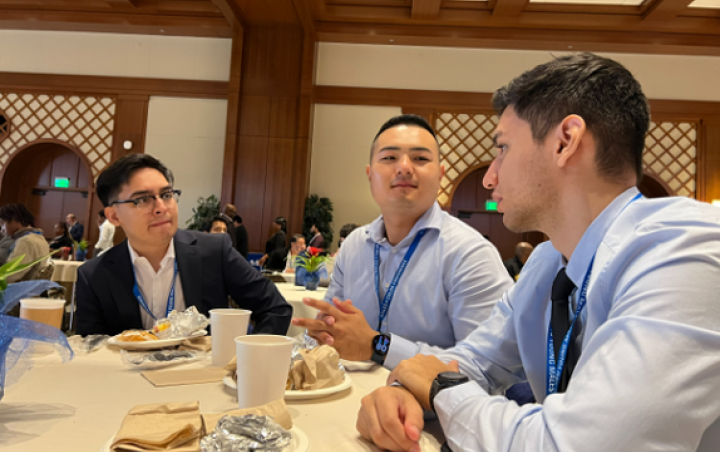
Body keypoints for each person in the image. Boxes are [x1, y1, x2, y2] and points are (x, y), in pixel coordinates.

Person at [356, 53, 720, 452]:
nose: (491, 176)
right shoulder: (549, 263)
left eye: (503, 148)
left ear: (566, 142)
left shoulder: (686, 250)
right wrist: (404, 392)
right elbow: (474, 361)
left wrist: (440, 388)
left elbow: (577, 445)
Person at [292, 114, 512, 371]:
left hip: (430, 410)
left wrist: (377, 346)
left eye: (420, 158)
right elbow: (328, 329)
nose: (404, 167)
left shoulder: (469, 254)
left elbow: (487, 366)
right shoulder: (353, 246)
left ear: (440, 174)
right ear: (370, 174)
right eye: (389, 158)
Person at [76, 153, 293, 337]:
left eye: (166, 195)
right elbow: (91, 350)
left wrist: (245, 362)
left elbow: (275, 309)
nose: (161, 207)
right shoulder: (94, 275)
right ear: (114, 216)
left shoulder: (214, 252)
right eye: (143, 199)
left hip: (203, 381)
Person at [0, 204, 50, 283]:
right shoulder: (40, 238)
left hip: (19, 292)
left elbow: (10, 275)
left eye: (2, 224)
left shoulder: (25, 242)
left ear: (14, 220)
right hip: (32, 290)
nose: (1, 230)